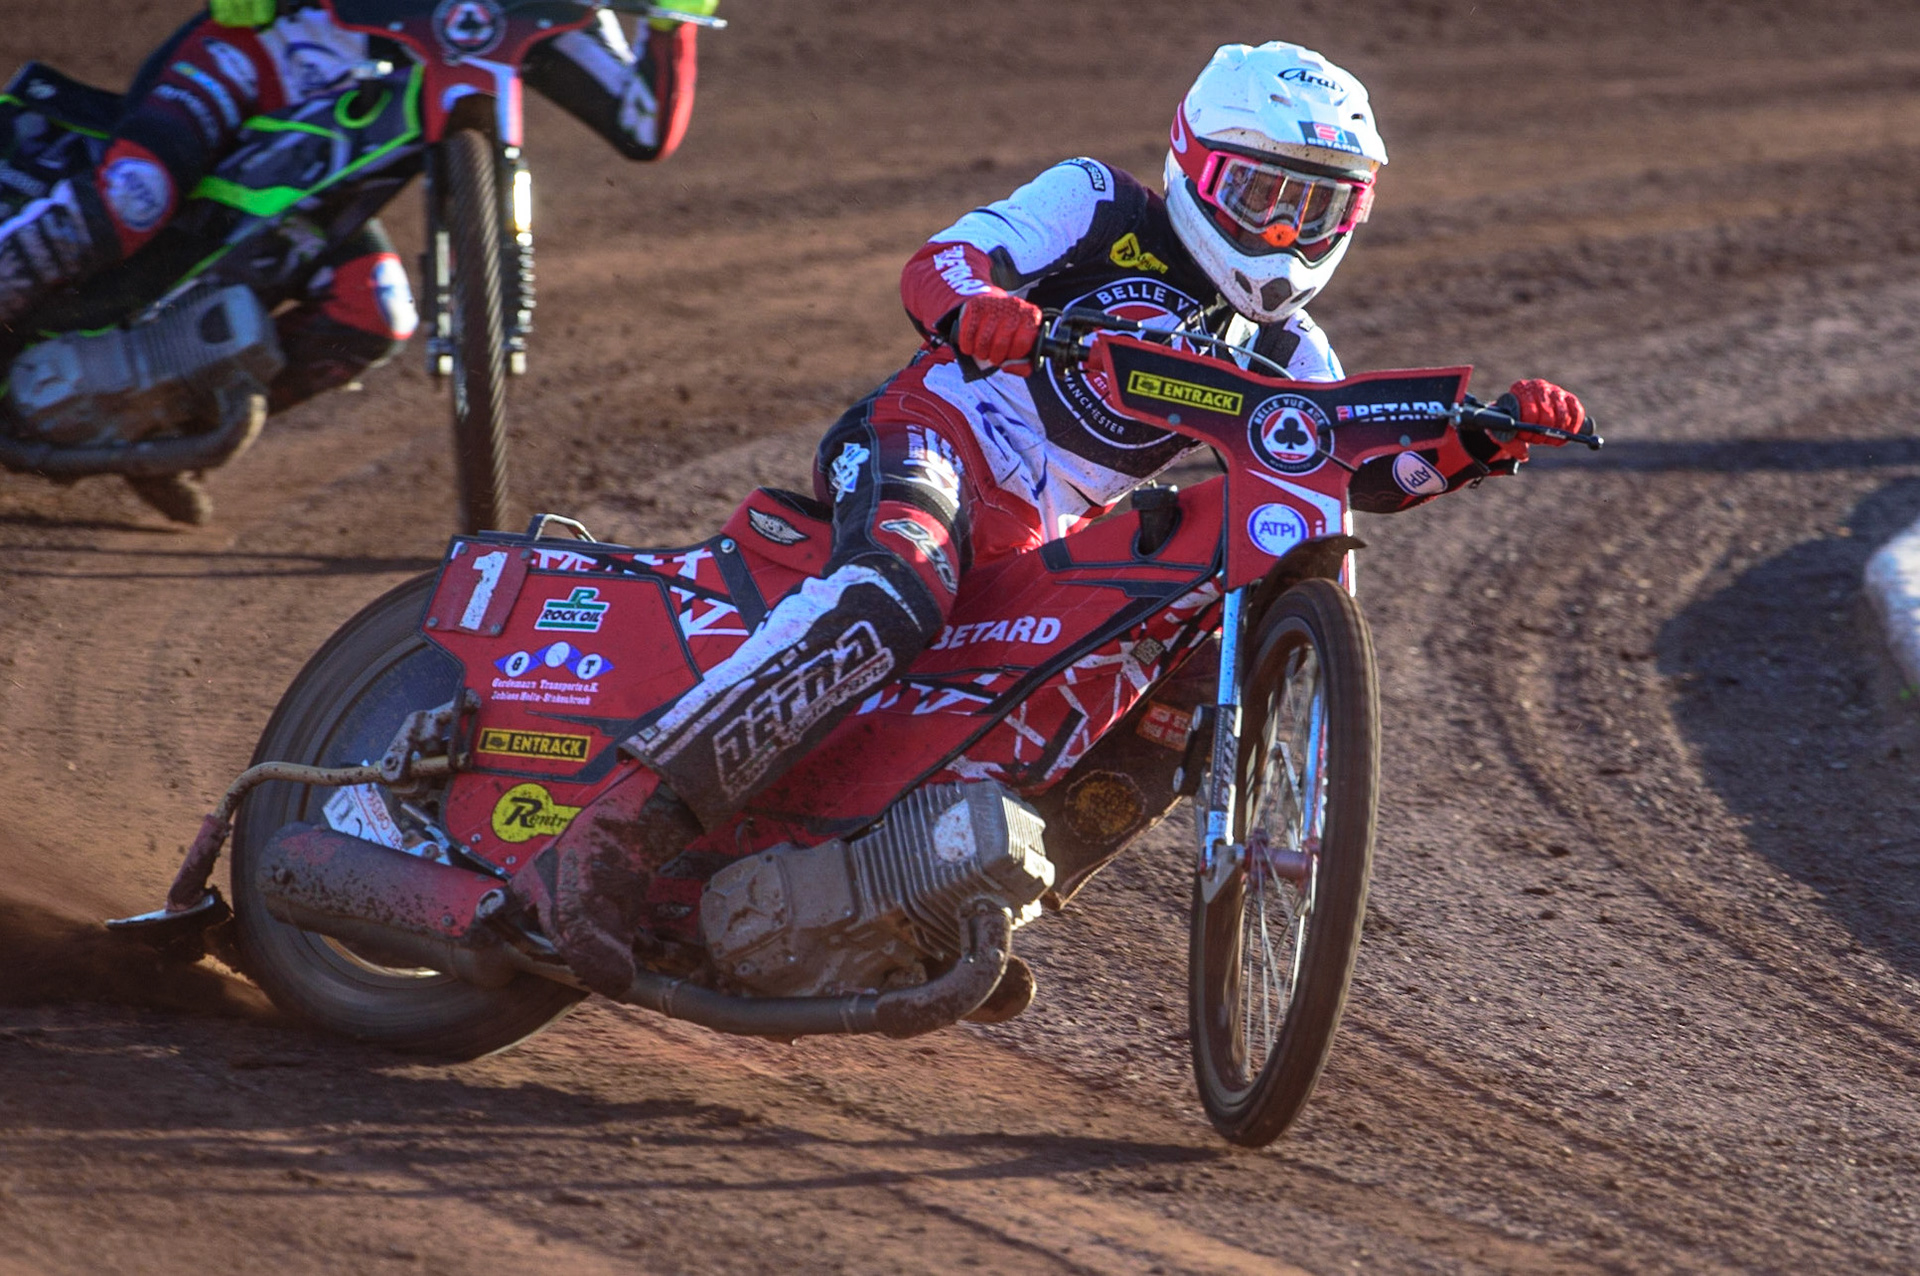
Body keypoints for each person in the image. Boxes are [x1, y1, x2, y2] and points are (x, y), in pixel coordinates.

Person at [509, 40, 1590, 998]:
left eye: (1315, 209)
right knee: (896, 590)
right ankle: (613, 834)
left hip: (1039, 539)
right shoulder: (1098, 202)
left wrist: (1477, 443)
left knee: (1163, 678)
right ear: (1194, 164)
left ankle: (939, 906)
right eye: (1262, 194)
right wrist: (977, 306)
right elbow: (940, 262)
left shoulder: (1291, 349)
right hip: (934, 437)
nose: (1282, 230)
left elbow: (1353, 471)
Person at [0, 0, 716, 520]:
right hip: (259, 55)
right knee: (136, 194)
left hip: (321, 167)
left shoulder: (538, 10)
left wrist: (675, 17)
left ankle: (160, 429)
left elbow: (642, 125)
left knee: (371, 311)